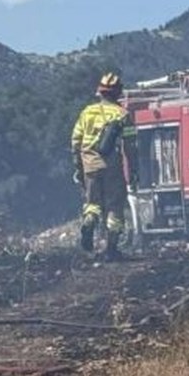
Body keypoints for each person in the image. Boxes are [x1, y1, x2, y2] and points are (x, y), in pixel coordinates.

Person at [70, 72, 137, 260]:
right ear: (118, 94)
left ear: (100, 92)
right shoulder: (123, 114)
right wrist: (133, 171)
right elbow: (130, 145)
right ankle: (111, 249)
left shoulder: (87, 112)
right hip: (111, 166)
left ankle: (89, 221)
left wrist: (78, 166)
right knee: (115, 206)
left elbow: (75, 141)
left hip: (89, 165)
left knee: (92, 204)